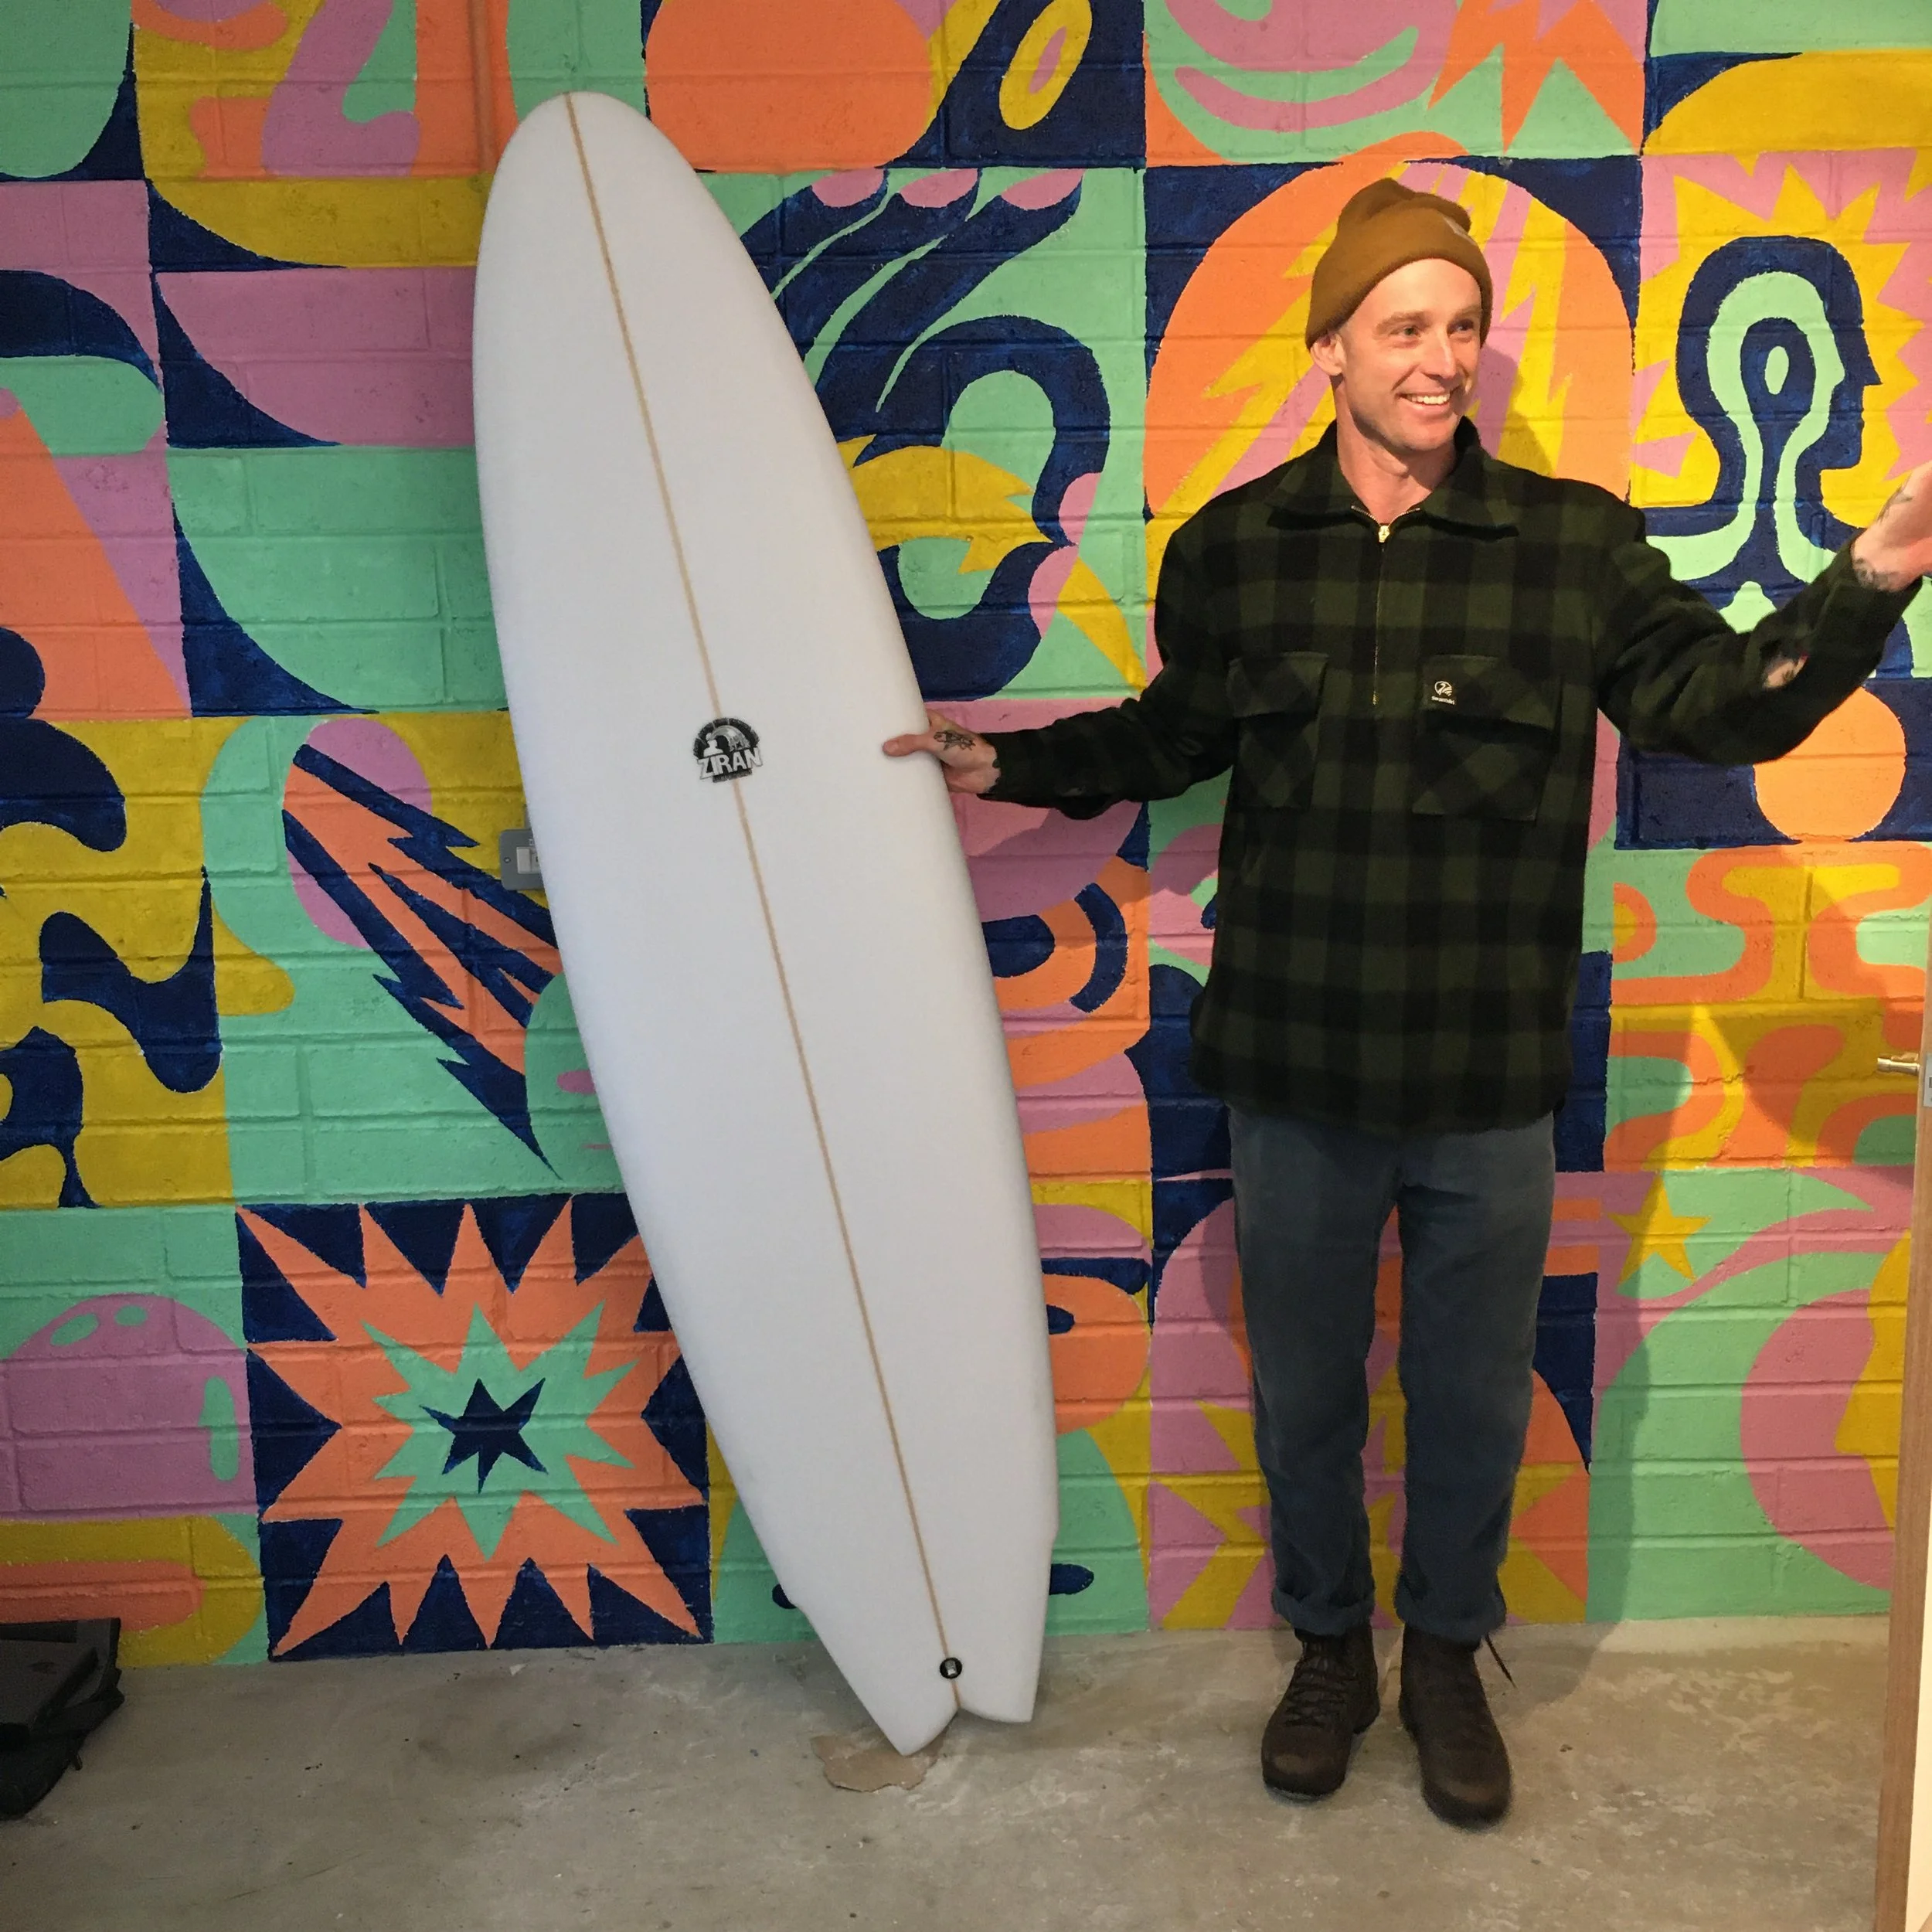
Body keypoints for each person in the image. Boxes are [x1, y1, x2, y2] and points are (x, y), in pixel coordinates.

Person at [886, 179, 1930, 1828]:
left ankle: (1442, 1651)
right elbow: (1172, 737)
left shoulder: (1570, 544)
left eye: (1457, 325)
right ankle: (1325, 1649)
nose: (1436, 357)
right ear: (1328, 350)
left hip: (1481, 1075)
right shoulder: (1233, 549)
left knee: (1463, 1392)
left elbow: (1718, 709)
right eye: (1401, 327)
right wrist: (1001, 760)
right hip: (1291, 1067)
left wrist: (1867, 574)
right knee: (1303, 1391)